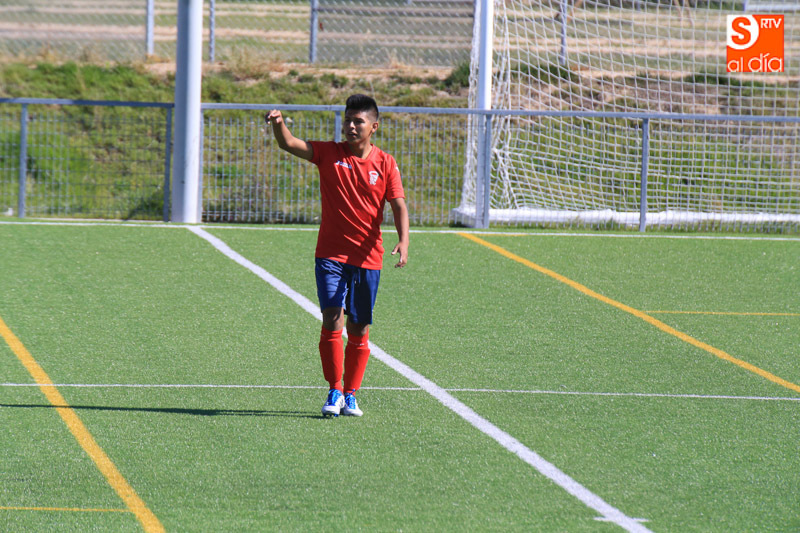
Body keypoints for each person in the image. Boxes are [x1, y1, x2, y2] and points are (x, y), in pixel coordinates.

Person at [265, 94, 409, 418]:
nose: (351, 126)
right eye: (347, 120)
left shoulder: (386, 163)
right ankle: (334, 388)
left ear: (374, 127)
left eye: (358, 121)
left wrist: (404, 240)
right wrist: (279, 124)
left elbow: (398, 205)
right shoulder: (330, 153)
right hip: (330, 255)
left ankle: (351, 394)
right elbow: (289, 143)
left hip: (368, 257)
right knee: (332, 316)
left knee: (358, 327)